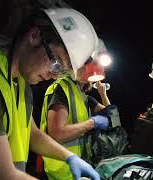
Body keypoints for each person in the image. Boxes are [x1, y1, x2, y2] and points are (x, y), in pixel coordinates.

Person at [0, 8, 101, 179]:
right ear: (34, 36)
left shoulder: (22, 84)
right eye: (56, 63)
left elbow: (32, 134)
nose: (54, 75)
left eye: (62, 71)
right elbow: (0, 173)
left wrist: (69, 157)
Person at [40, 40, 112, 180]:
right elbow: (57, 134)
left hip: (81, 166)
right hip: (62, 170)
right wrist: (92, 122)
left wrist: (103, 94)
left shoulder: (83, 96)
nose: (90, 70)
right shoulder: (61, 88)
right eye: (87, 63)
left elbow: (112, 114)